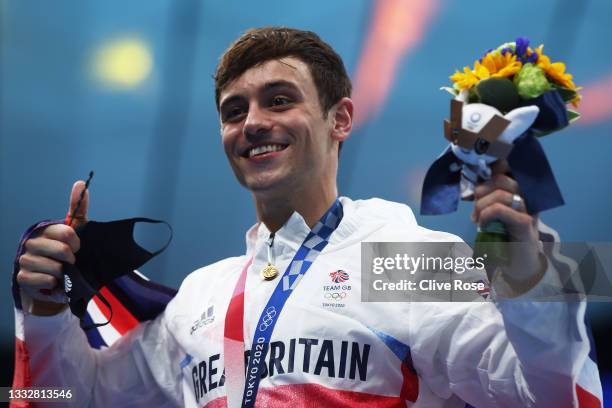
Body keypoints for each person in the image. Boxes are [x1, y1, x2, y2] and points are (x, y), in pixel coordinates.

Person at [14, 27, 600, 407]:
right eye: (233, 111)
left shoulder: (407, 260)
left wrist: (528, 276)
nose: (251, 124)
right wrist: (44, 312)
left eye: (279, 100)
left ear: (340, 119)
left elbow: (548, 395)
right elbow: (75, 396)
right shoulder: (200, 295)